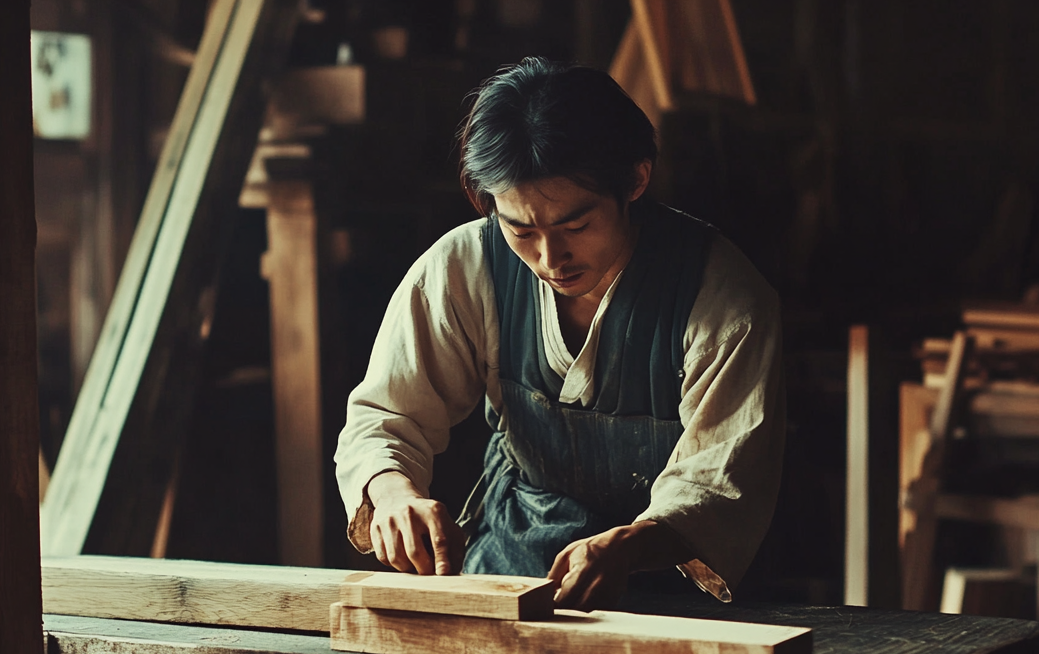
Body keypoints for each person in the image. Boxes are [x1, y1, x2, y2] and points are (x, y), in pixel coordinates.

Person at [334, 57, 784, 611]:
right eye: (520, 229)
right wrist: (394, 493)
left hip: (670, 586)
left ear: (636, 179)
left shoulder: (721, 296)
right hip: (508, 570)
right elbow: (387, 415)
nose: (550, 258)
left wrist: (631, 545)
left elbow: (718, 480)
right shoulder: (464, 267)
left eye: (577, 226)